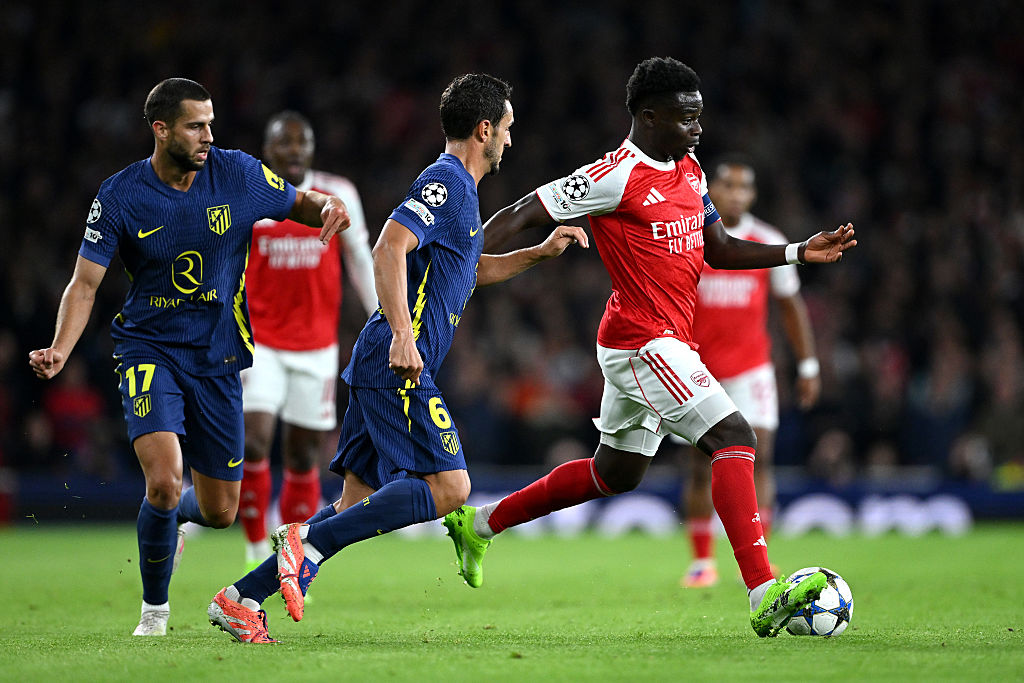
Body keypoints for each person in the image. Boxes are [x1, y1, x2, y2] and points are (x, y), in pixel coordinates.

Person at [441, 57, 856, 638]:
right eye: (686, 118)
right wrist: (457, 261)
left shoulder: (690, 169)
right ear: (649, 115)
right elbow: (522, 212)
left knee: (615, 474)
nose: (697, 129)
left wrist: (796, 252)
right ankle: (765, 590)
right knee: (734, 436)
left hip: (656, 341)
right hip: (643, 343)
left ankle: (479, 524)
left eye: (699, 117)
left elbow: (718, 247)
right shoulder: (613, 176)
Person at [206, 73, 589, 644]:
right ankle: (303, 547)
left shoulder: (465, 192)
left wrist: (537, 252)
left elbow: (470, 270)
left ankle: (237, 598)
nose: (511, 140)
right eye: (507, 129)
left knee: (355, 503)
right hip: (396, 362)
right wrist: (404, 336)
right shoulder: (447, 182)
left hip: (380, 362)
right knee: (451, 488)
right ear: (484, 129)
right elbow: (389, 245)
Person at [28, 78, 351, 637]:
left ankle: (175, 517)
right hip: (148, 349)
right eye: (195, 126)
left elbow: (301, 202)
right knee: (162, 479)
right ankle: (155, 612)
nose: (208, 136)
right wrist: (61, 348)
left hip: (218, 358)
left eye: (210, 124)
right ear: (160, 129)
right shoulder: (121, 195)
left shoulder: (239, 174)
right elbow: (84, 284)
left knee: (221, 510)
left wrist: (331, 206)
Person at [239, 111, 378, 572]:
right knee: (255, 440)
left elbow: (360, 257)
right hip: (261, 343)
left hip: (317, 346)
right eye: (285, 143)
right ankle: (256, 546)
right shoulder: (251, 194)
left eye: (303, 142)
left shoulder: (339, 195)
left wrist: (387, 317)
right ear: (268, 149)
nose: (295, 150)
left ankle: (290, 561)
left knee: (302, 454)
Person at [676, 156, 821, 589]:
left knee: (762, 460)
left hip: (751, 369)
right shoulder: (690, 237)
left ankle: (760, 558)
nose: (736, 194)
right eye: (728, 186)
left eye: (744, 188)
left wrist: (808, 364)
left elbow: (791, 306)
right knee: (701, 468)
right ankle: (703, 562)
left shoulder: (767, 240)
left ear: (753, 195)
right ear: (711, 190)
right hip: (697, 368)